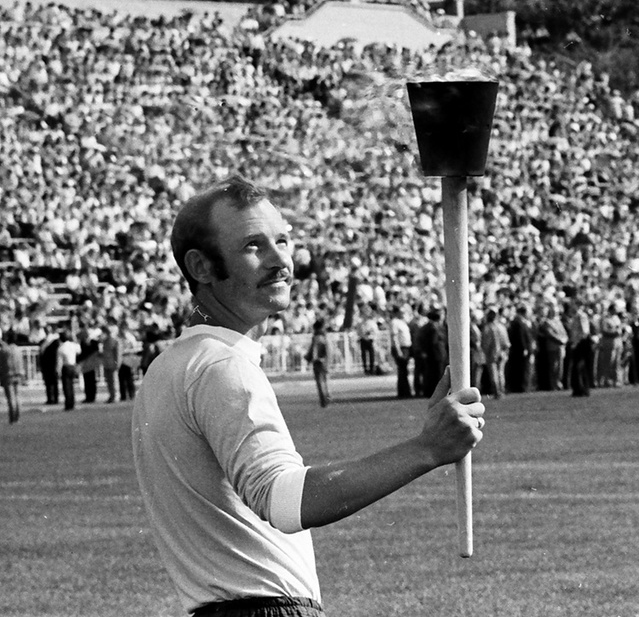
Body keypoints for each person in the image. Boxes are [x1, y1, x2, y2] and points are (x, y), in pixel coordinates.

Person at [132, 176, 484, 617]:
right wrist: (428, 448)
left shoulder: (168, 367)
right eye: (253, 246)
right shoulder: (221, 366)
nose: (282, 260)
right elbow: (285, 500)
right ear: (201, 267)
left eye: (282, 240)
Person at [534, 302, 567, 392]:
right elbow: (550, 334)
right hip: (553, 346)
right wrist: (560, 340)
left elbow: (564, 333)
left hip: (561, 347)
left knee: (560, 367)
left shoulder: (558, 322)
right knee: (554, 366)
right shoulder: (547, 322)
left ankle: (558, 382)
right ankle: (553, 384)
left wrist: (565, 339)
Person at [480, 307, 510, 399]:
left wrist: (485, 351)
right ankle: (501, 390)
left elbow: (485, 343)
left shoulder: (488, 328)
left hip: (492, 353)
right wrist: (505, 351)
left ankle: (497, 392)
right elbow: (507, 342)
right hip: (502, 353)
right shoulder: (501, 327)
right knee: (501, 373)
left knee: (494, 374)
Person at [506, 304, 533, 393]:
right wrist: (524, 348)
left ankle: (523, 387)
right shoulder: (518, 322)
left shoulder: (520, 322)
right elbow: (520, 337)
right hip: (520, 350)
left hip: (521, 349)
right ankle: (521, 387)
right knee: (522, 369)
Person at [389, 305, 413, 399]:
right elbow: (394, 337)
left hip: (406, 347)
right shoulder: (395, 322)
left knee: (404, 370)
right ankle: (403, 392)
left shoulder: (402, 322)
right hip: (401, 348)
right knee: (402, 370)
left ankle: (406, 391)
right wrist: (398, 350)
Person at [306, 319, 331, 407]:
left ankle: (324, 400)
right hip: (324, 361)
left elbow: (314, 349)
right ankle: (327, 397)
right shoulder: (324, 336)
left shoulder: (316, 337)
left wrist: (312, 358)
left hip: (318, 362)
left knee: (320, 382)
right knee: (325, 380)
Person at [56, 330, 81, 411]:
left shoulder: (61, 348)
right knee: (72, 386)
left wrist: (58, 371)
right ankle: (72, 403)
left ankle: (68, 404)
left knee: (66, 387)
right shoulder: (73, 345)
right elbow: (79, 351)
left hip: (66, 367)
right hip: (73, 366)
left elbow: (59, 361)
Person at [0, 334, 22, 424]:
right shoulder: (18, 350)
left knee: (11, 398)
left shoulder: (4, 351)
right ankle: (17, 417)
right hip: (18, 374)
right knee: (17, 397)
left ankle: (12, 418)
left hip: (8, 375)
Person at [98, 326, 119, 403]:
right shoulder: (105, 341)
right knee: (109, 381)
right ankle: (111, 395)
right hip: (106, 363)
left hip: (111, 363)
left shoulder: (111, 341)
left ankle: (114, 396)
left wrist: (116, 363)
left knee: (112, 381)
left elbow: (116, 353)